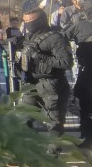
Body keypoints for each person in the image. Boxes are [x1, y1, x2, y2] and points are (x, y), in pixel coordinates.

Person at [16, 8, 72, 146]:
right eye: (25, 21)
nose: (27, 24)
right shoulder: (31, 36)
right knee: (22, 118)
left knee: (53, 122)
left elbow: (66, 62)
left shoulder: (56, 38)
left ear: (40, 20)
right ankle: (25, 151)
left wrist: (40, 56)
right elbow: (25, 46)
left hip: (51, 84)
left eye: (30, 21)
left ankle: (53, 155)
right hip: (31, 83)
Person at [62, 0, 92, 152]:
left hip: (87, 74)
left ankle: (88, 138)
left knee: (86, 108)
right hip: (87, 72)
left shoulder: (81, 25)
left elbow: (62, 36)